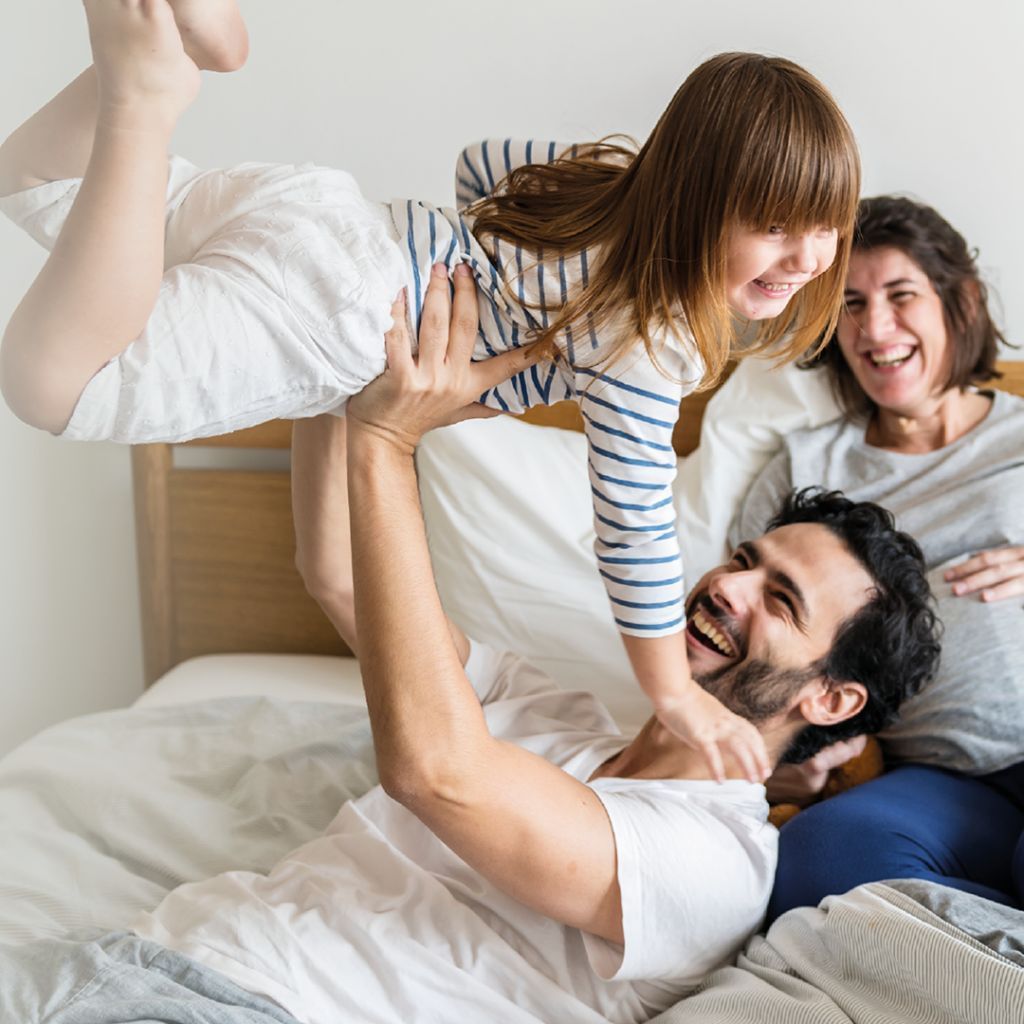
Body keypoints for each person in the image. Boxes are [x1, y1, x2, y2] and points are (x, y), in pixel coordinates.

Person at [0, 264, 939, 1024]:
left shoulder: (714, 861)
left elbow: (435, 771)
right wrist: (343, 369)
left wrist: (387, 443)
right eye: (742, 559)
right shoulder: (553, 711)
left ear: (831, 698)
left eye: (778, 599)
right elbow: (335, 572)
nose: (726, 586)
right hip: (137, 951)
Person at [0, 0, 862, 782]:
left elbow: (481, 166)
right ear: (697, 204)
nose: (810, 259)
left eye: (826, 226)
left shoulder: (607, 181)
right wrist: (672, 694)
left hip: (334, 217)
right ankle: (147, 90)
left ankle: (185, 37)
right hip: (338, 316)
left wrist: (488, 275)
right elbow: (634, 526)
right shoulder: (647, 341)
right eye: (776, 226)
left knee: (36, 180)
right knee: (55, 386)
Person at [730, 195, 1024, 922]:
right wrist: (793, 744)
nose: (876, 328)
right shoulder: (807, 469)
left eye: (900, 297)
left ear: (961, 302)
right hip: (947, 780)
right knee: (824, 859)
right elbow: (752, 631)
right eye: (852, 305)